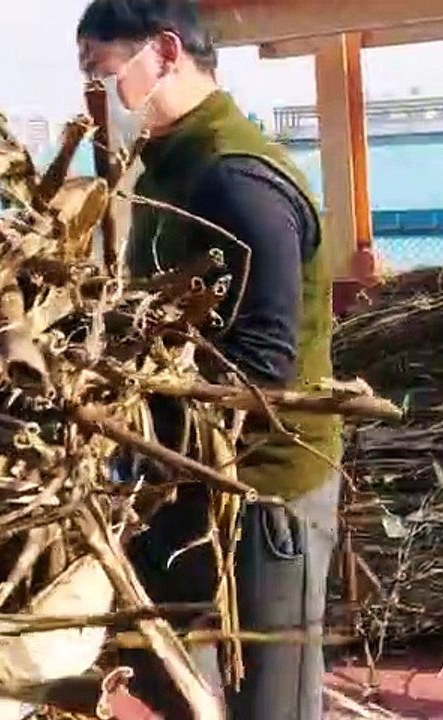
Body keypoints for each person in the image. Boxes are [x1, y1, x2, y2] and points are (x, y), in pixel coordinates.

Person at [76, 2, 342, 718]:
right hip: (183, 472)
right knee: (180, 678)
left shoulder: (235, 178)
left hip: (260, 484)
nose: (100, 92)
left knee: (272, 698)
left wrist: (120, 390)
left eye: (103, 70)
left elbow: (264, 361)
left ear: (164, 53)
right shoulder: (168, 163)